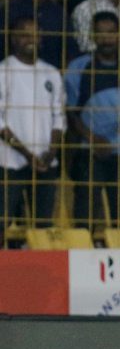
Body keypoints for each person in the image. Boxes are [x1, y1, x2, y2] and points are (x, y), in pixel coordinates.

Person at [65, 11, 120, 228]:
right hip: (89, 150)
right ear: (93, 36)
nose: (106, 39)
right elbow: (69, 112)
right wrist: (94, 139)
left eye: (111, 33)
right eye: (101, 33)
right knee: (85, 210)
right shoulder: (78, 67)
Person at [0, 15, 65, 243]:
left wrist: (51, 152)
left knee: (43, 224)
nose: (31, 38)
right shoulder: (3, 71)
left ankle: (38, 272)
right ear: (13, 38)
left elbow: (59, 116)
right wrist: (28, 155)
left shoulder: (51, 73)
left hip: (46, 162)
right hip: (10, 161)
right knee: (3, 219)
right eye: (24, 33)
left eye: (35, 33)